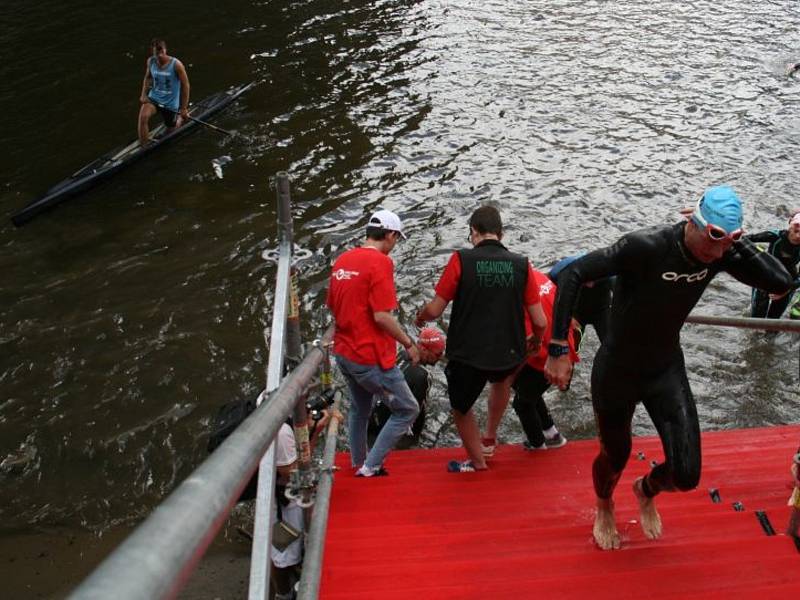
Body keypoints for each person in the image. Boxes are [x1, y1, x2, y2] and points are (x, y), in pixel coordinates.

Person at [544, 185, 792, 550]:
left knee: (687, 474)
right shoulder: (646, 246)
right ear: (693, 223)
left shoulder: (720, 253)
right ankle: (604, 505)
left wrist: (733, 242)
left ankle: (645, 490)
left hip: (664, 368)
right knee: (616, 455)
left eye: (727, 243)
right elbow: (573, 274)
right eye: (713, 240)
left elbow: (781, 281)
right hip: (618, 370)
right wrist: (558, 348)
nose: (716, 252)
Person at [416, 205, 547, 473]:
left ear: (473, 232)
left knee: (461, 408)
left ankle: (478, 462)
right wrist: (536, 339)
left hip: (469, 354)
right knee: (501, 382)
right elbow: (541, 320)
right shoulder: (522, 265)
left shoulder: (461, 260)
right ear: (501, 234)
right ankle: (489, 436)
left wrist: (420, 317)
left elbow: (436, 309)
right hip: (508, 353)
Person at [326, 210, 420, 477]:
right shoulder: (380, 263)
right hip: (369, 356)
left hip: (343, 352)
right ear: (390, 235)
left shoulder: (343, 259)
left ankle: (358, 460)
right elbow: (381, 316)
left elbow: (333, 305)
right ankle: (370, 466)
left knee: (360, 409)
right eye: (396, 239)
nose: (394, 246)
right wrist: (409, 343)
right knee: (407, 409)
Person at [508, 267, 579, 451]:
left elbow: (527, 337)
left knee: (521, 402)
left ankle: (537, 445)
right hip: (562, 346)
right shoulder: (536, 275)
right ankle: (552, 434)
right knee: (524, 389)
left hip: (548, 356)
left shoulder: (514, 296)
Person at [369, 327, 446, 441]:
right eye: (438, 354)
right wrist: (415, 438)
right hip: (388, 429)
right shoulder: (423, 375)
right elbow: (416, 413)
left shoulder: (402, 354)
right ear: (424, 350)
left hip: (373, 418)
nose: (440, 358)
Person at [746, 212, 800, 318]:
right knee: (757, 318)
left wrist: (787, 290)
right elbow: (747, 239)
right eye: (796, 229)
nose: (798, 235)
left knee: (773, 322)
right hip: (764, 276)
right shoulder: (775, 236)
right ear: (790, 225)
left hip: (787, 282)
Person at [138, 39, 190, 145]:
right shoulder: (151, 61)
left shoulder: (177, 65)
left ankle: (180, 118)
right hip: (154, 98)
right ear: (153, 52)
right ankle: (143, 147)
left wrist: (183, 108)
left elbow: (186, 86)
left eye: (161, 51)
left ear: (165, 50)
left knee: (171, 128)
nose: (160, 55)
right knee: (143, 117)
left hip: (170, 103)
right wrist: (143, 95)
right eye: (157, 53)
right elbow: (147, 78)